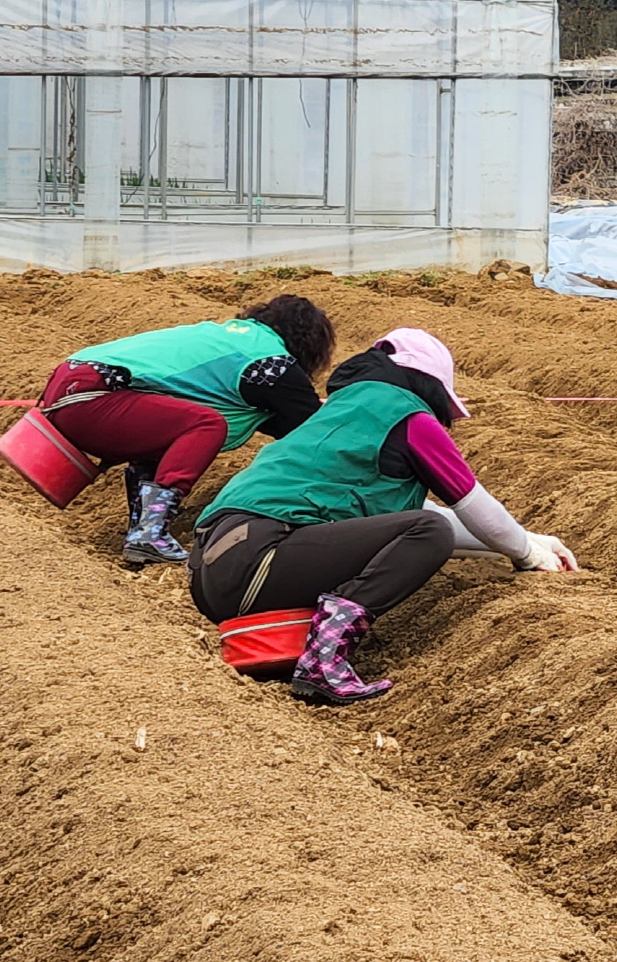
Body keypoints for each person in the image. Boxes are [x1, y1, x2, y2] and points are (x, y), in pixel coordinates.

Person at [190, 328, 577, 706]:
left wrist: (528, 539)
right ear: (431, 386)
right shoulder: (408, 417)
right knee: (429, 532)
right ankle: (324, 655)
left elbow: (408, 521)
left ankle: (300, 642)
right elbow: (470, 509)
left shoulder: (341, 413)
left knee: (426, 527)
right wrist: (527, 554)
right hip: (260, 556)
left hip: (213, 572)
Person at [39, 296, 336, 567]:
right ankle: (149, 532)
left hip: (68, 386)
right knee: (206, 424)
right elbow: (313, 427)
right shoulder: (271, 363)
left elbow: (281, 421)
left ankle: (143, 529)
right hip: (91, 396)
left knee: (172, 432)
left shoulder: (233, 339)